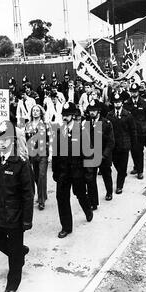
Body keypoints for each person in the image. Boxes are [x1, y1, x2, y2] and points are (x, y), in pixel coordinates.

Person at [0, 120, 34, 292]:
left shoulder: (21, 164)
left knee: (13, 252)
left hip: (15, 216)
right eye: (0, 139)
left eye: (7, 139)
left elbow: (28, 194)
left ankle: (12, 284)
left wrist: (27, 220)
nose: (3, 143)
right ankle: (20, 254)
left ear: (13, 141)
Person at [52, 102, 93, 239]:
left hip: (77, 172)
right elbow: (55, 154)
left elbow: (88, 154)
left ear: (74, 116)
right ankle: (66, 227)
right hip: (63, 173)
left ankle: (88, 210)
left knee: (80, 194)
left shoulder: (81, 132)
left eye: (68, 115)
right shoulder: (58, 132)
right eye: (63, 115)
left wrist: (88, 174)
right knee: (61, 198)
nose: (65, 117)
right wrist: (55, 172)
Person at [84, 99, 115, 207]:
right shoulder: (86, 123)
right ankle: (93, 202)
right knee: (91, 179)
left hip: (103, 155)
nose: (91, 112)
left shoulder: (106, 123)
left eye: (94, 110)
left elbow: (111, 142)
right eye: (90, 110)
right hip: (91, 155)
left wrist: (104, 155)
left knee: (106, 175)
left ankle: (109, 192)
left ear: (99, 111)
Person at [106, 92, 137, 195]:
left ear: (122, 103)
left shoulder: (128, 115)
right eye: (115, 102)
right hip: (114, 145)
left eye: (119, 102)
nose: (117, 104)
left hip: (124, 144)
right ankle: (122, 174)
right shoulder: (109, 115)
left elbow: (133, 130)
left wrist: (133, 144)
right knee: (115, 163)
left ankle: (119, 186)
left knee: (123, 165)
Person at [123, 83, 146, 180]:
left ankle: (140, 171)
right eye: (132, 92)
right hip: (130, 132)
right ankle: (136, 167)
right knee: (133, 151)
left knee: (139, 151)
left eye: (135, 92)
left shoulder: (144, 103)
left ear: (138, 92)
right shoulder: (126, 103)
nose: (134, 93)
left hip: (141, 131)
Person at [25, 105, 51, 210]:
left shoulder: (45, 124)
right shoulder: (27, 125)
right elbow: (25, 139)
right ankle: (43, 193)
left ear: (40, 113)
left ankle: (41, 201)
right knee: (35, 176)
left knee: (42, 175)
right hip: (32, 154)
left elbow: (50, 139)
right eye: (33, 111)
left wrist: (51, 154)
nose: (35, 112)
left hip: (43, 153)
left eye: (37, 111)